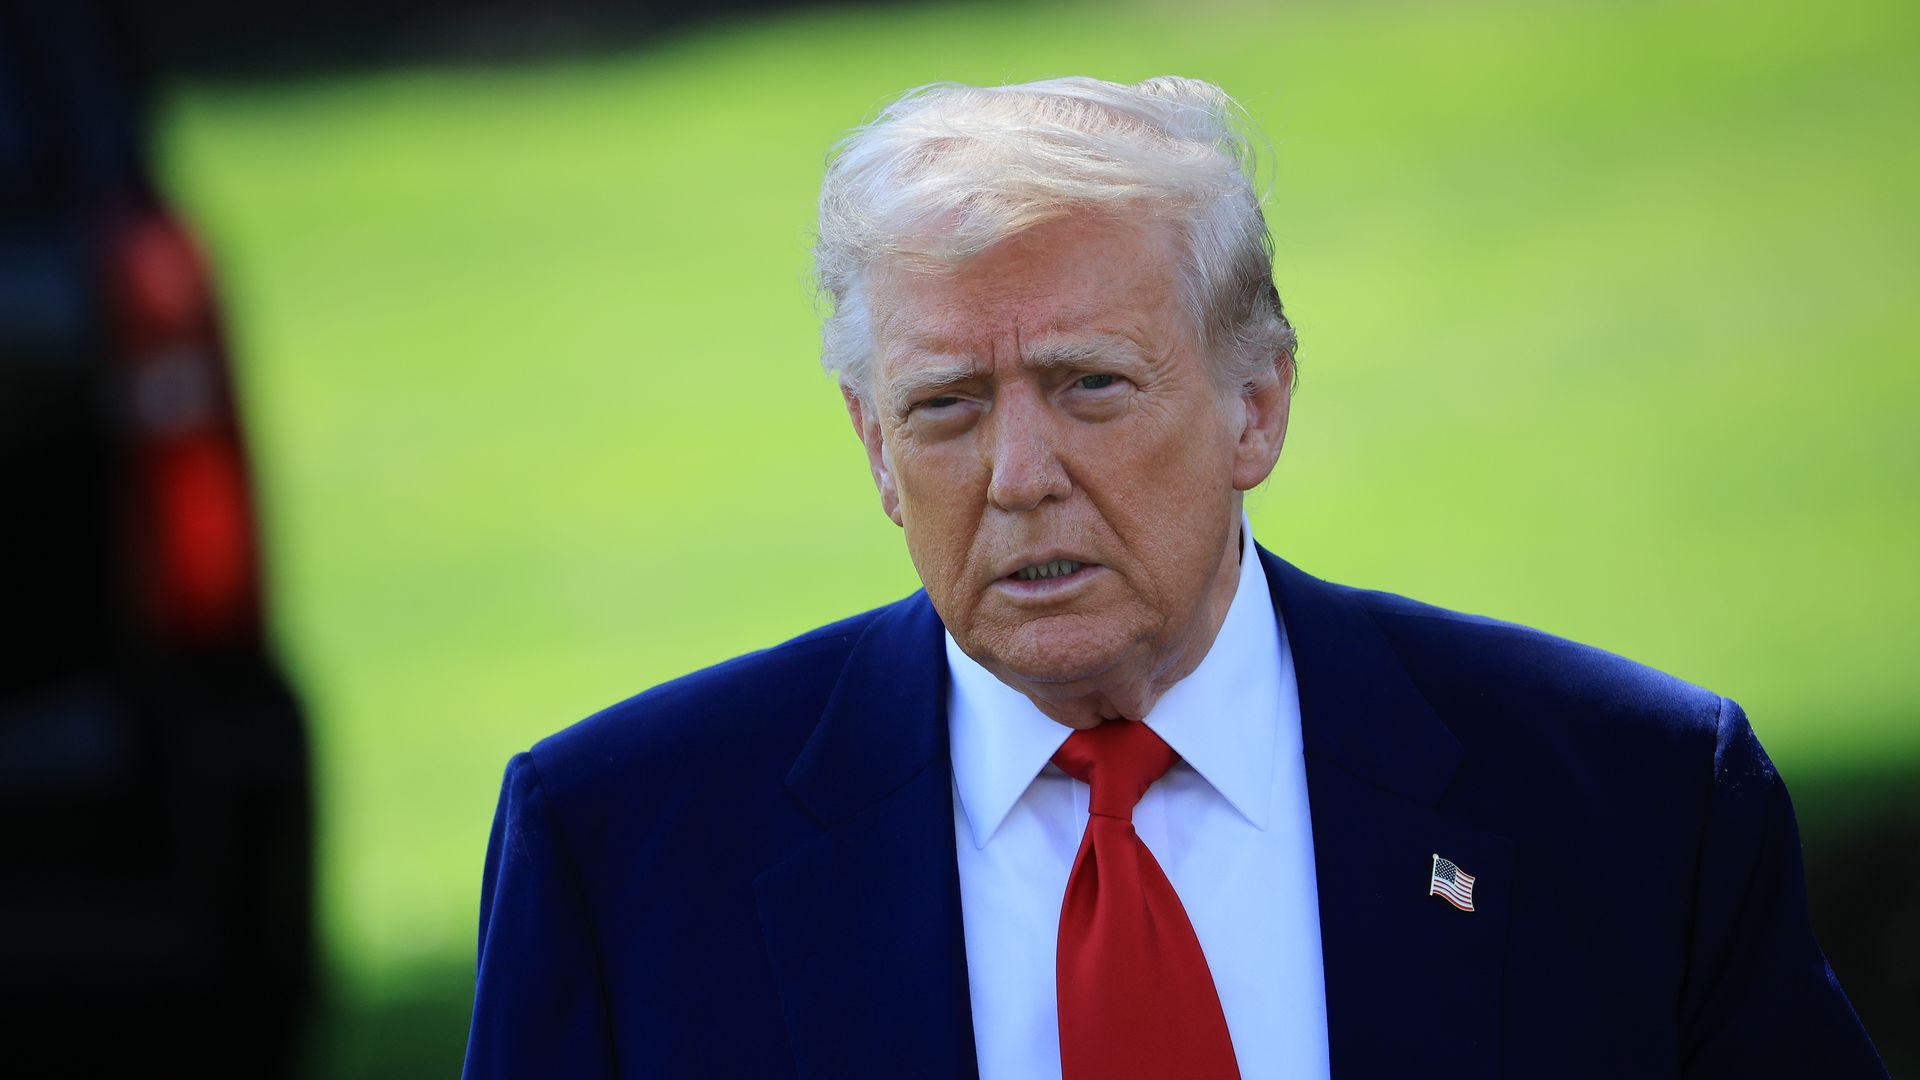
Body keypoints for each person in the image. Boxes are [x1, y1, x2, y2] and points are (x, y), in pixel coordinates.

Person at [459, 76, 1885, 1079]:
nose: (1018, 472)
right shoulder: (623, 853)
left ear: (1255, 406)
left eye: (1090, 386)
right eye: (947, 406)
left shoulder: (1630, 805)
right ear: (875, 449)